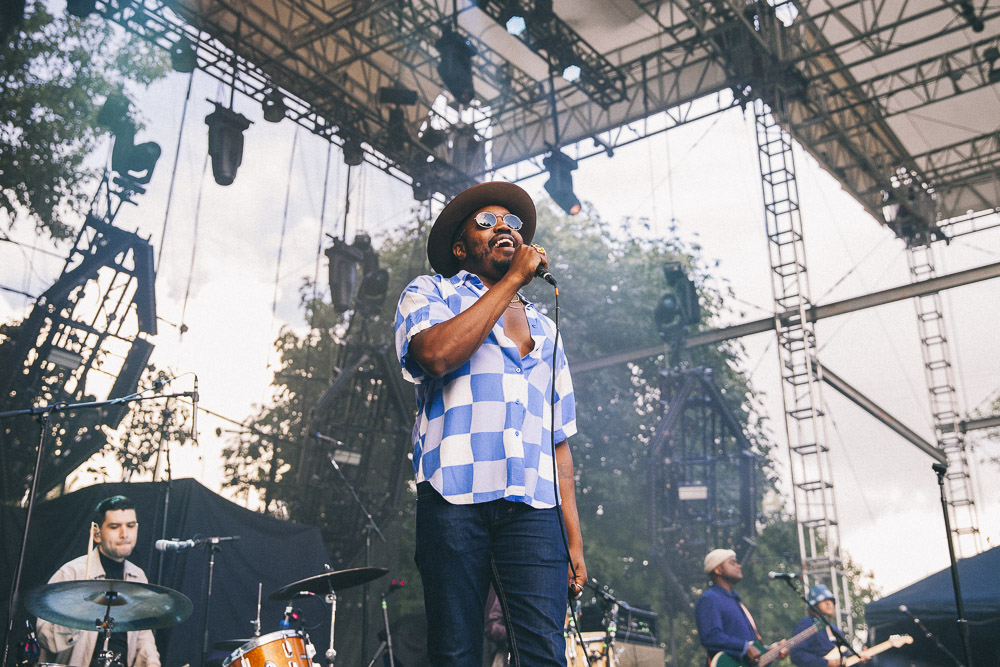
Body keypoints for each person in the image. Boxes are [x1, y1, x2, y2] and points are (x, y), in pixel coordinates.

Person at [394, 181, 586, 666]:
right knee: (456, 651)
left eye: (512, 223)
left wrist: (573, 539)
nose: (504, 227)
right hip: (456, 496)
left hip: (536, 507)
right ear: (461, 249)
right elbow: (435, 356)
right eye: (487, 222)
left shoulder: (546, 329)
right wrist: (510, 284)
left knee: (544, 653)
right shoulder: (431, 292)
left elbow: (558, 440)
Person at [36, 495, 160, 667]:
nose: (125, 534)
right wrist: (79, 610)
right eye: (115, 527)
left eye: (130, 526)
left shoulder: (138, 577)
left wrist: (152, 663)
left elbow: (143, 637)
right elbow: (47, 639)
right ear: (97, 534)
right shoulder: (72, 573)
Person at [695, 549, 787, 666]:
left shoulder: (735, 600)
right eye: (732, 562)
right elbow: (711, 636)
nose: (738, 566)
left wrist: (768, 650)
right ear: (718, 570)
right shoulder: (710, 599)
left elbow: (749, 647)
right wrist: (744, 647)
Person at [790, 584, 866, 667]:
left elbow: (844, 658)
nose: (828, 603)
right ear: (814, 605)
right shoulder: (806, 624)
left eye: (831, 600)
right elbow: (796, 654)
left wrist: (857, 658)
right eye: (823, 600)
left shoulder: (835, 629)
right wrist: (826, 663)